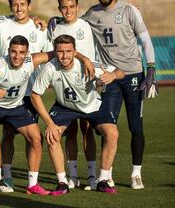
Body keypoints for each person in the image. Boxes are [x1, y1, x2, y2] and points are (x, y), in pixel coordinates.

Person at [0, 0, 94, 189]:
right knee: (7, 134)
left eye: (23, 4)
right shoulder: (1, 25)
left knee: (34, 138)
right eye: (15, 4)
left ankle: (35, 181)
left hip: (30, 91)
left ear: (30, 6)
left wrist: (83, 58)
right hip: (7, 91)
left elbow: (53, 52)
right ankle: (6, 176)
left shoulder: (40, 29)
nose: (19, 8)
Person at [82, 0, 158, 189]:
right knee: (107, 127)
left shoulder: (128, 10)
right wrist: (51, 22)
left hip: (133, 74)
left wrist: (150, 68)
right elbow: (74, 25)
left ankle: (136, 174)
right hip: (110, 77)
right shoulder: (92, 14)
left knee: (136, 126)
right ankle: (107, 175)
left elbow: (145, 39)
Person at [31, 34, 125, 195]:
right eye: (60, 51)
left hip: (92, 105)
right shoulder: (50, 68)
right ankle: (62, 183)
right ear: (55, 51)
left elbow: (120, 71)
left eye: (68, 51)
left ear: (75, 52)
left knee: (112, 134)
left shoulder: (86, 65)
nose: (64, 55)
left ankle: (102, 180)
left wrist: (113, 75)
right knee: (52, 136)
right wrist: (49, 123)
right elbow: (35, 94)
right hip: (64, 106)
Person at [0, 35, 55, 199]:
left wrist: (84, 59)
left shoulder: (32, 61)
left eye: (21, 52)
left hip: (15, 107)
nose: (17, 56)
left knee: (36, 138)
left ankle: (32, 184)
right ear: (8, 51)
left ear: (27, 53)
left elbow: (58, 52)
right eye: (13, 52)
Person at [47, 0, 97, 190]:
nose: (68, 11)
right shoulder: (55, 28)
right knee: (71, 132)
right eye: (63, 7)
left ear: (78, 7)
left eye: (71, 6)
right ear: (59, 8)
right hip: (64, 87)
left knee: (88, 130)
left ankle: (92, 175)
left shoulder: (87, 25)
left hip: (86, 85)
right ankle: (73, 175)